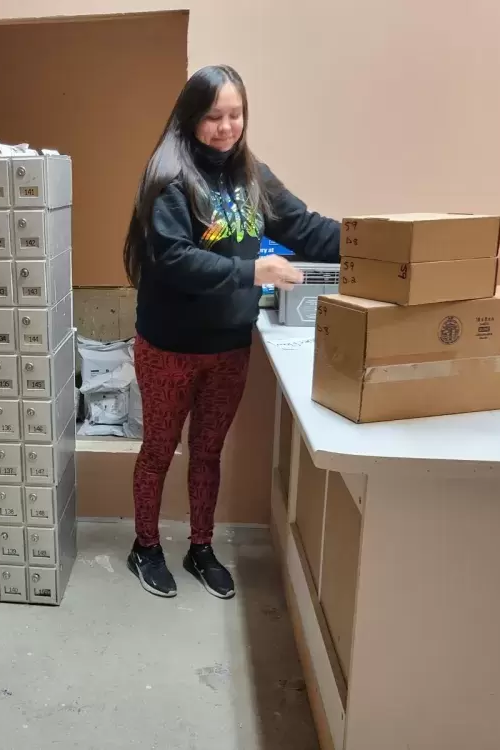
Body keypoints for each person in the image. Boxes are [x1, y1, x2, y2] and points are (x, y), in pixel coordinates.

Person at [123, 64, 340, 599]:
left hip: (228, 346)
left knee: (208, 452)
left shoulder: (250, 174)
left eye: (235, 115)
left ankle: (201, 547)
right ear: (190, 117)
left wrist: (377, 244)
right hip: (170, 347)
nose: (226, 127)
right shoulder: (168, 176)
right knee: (158, 449)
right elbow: (173, 259)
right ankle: (145, 547)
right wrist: (251, 271)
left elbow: (305, 228)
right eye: (213, 116)